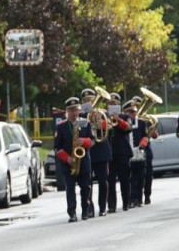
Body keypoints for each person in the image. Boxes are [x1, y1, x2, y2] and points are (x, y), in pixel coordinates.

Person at [54, 97, 93, 222]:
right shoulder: (61, 126)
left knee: (85, 187)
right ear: (67, 112)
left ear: (79, 110)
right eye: (71, 110)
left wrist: (84, 141)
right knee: (70, 189)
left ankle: (85, 210)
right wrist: (67, 158)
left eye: (76, 110)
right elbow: (57, 147)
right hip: (68, 162)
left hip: (84, 161)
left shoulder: (85, 123)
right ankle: (72, 213)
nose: (74, 113)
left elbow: (92, 140)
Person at [81, 88, 110, 218]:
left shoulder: (103, 113)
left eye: (91, 100)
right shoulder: (80, 116)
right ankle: (89, 207)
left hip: (101, 150)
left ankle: (103, 207)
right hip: (87, 151)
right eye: (86, 100)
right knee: (87, 183)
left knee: (103, 181)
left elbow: (110, 128)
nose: (89, 102)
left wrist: (100, 122)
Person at [107, 92, 134, 212]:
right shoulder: (104, 116)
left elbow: (129, 127)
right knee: (110, 180)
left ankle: (126, 203)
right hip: (109, 152)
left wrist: (118, 120)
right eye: (111, 103)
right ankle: (111, 205)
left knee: (125, 179)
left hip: (122, 151)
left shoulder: (124, 116)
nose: (113, 105)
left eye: (115, 103)